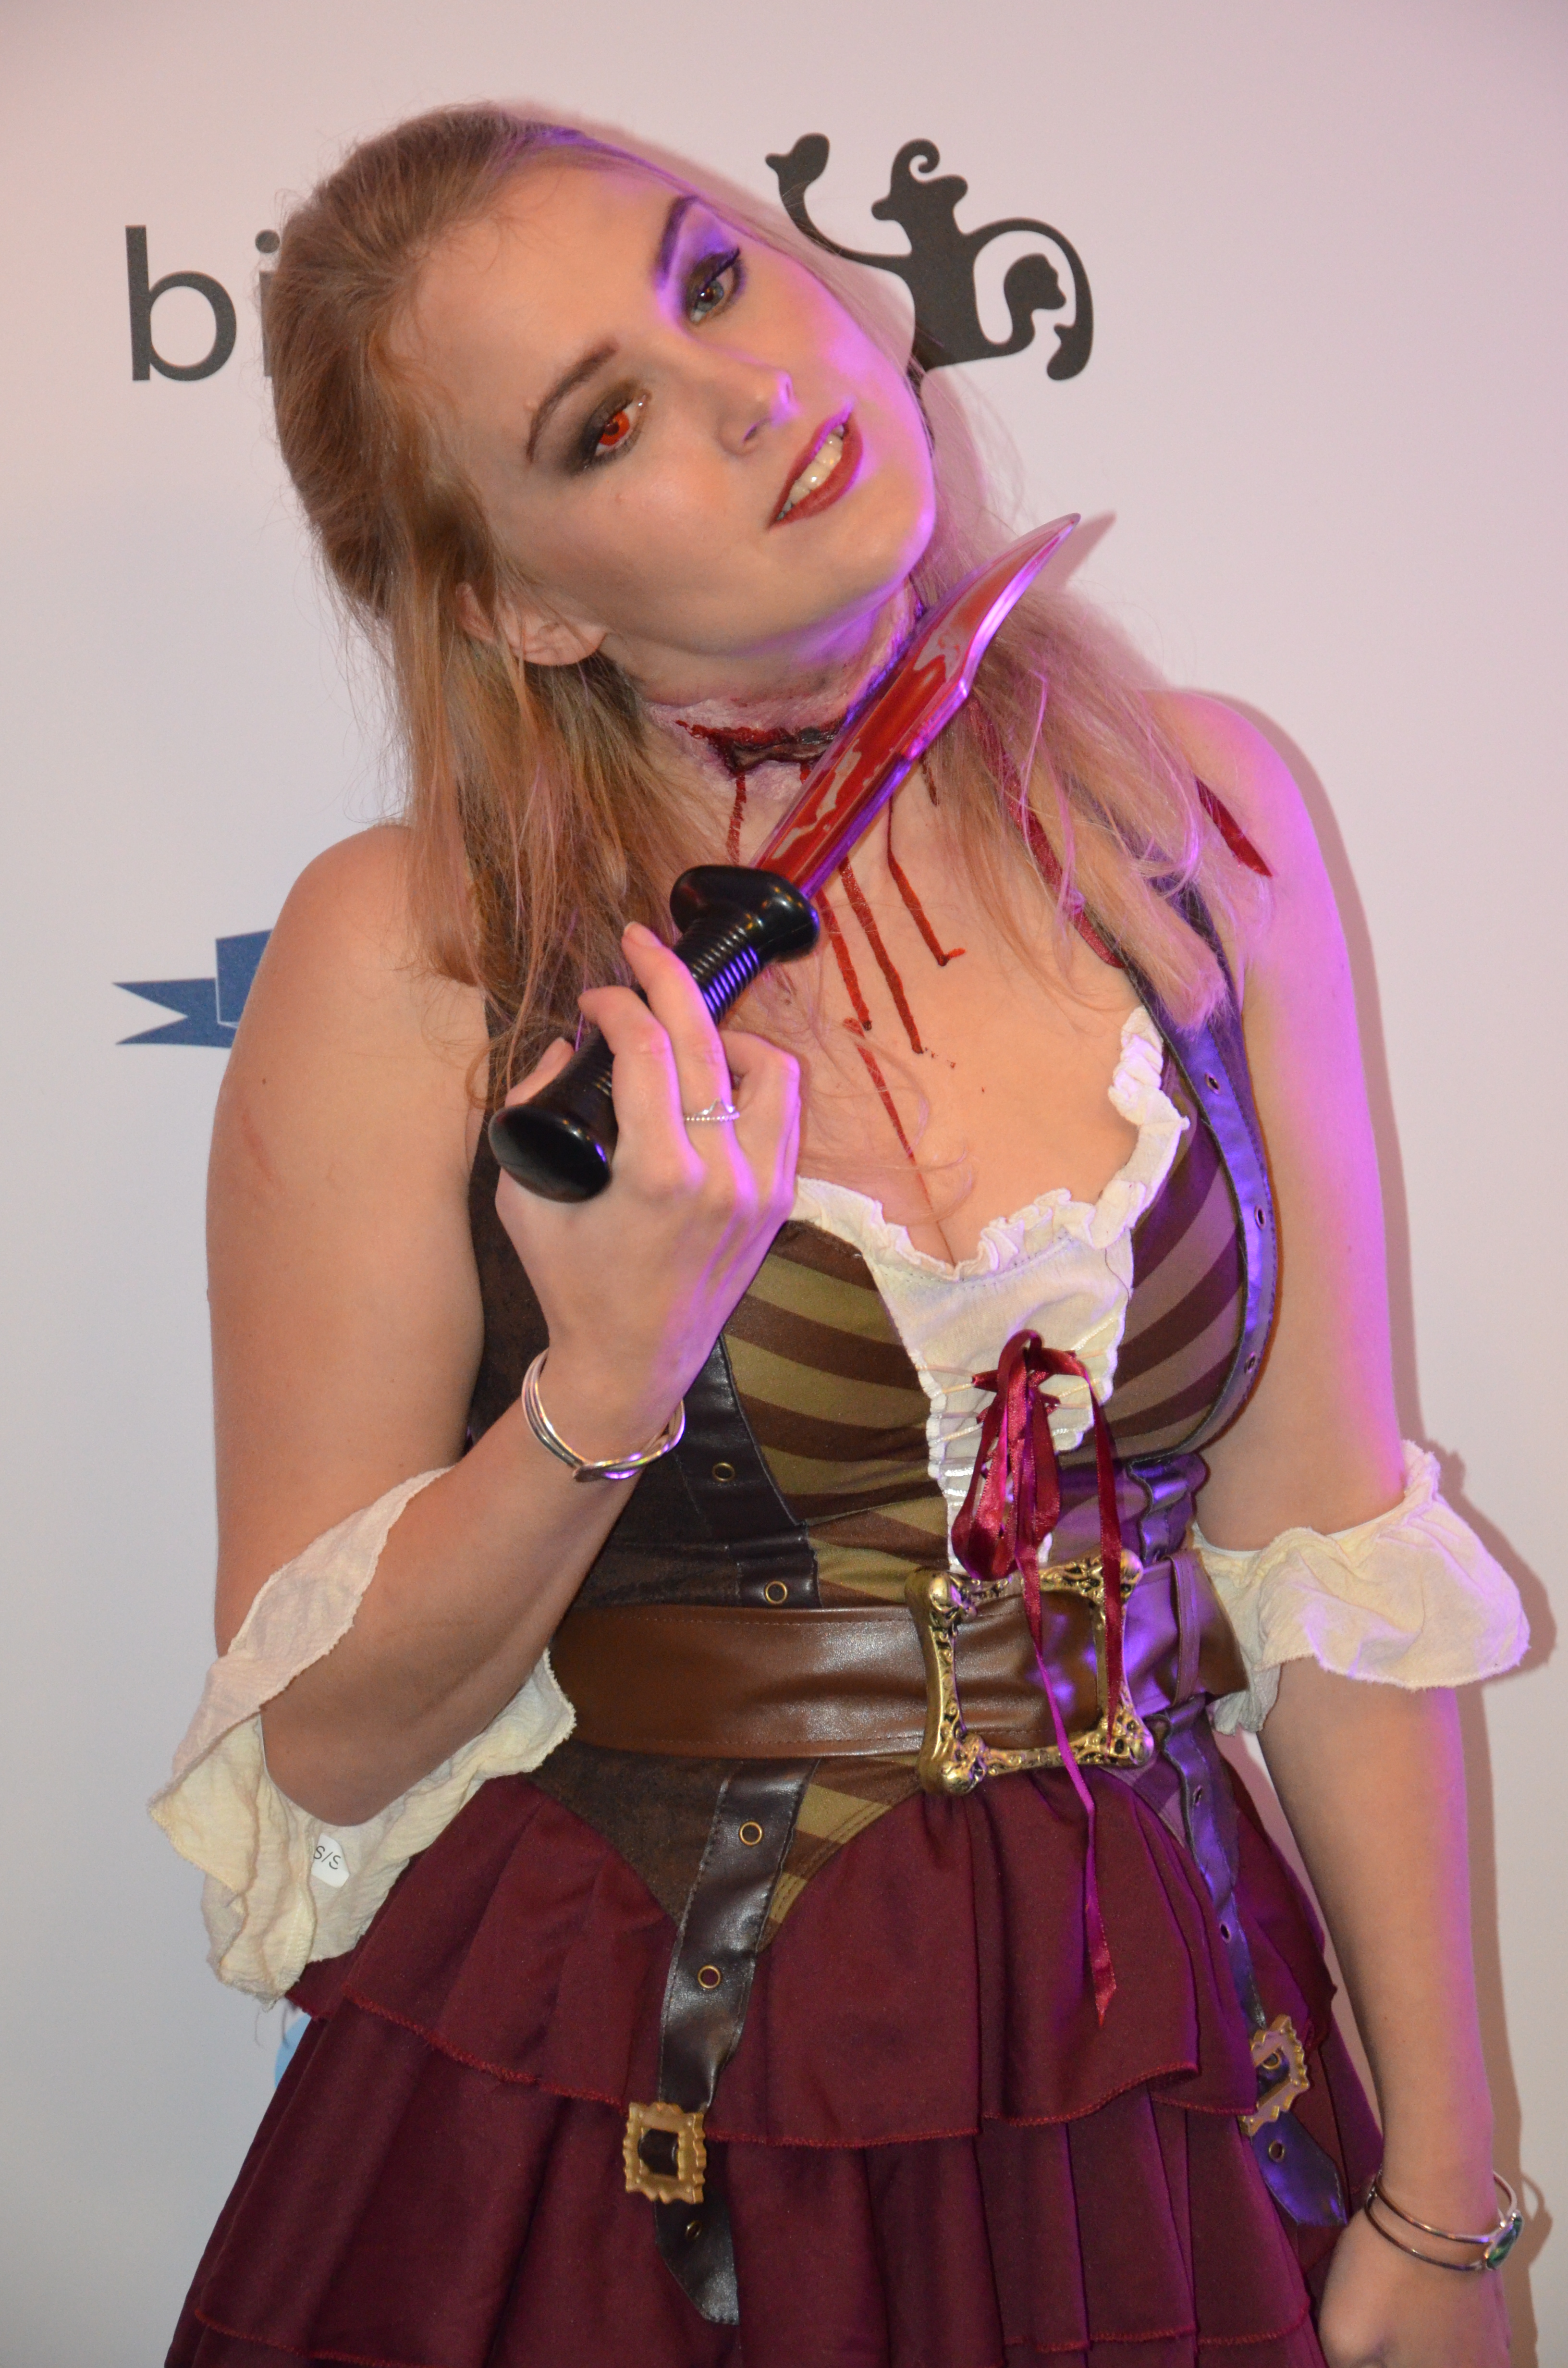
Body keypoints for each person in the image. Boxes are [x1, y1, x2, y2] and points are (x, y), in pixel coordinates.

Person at [152, 105, 1528, 2368]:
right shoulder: (412, 946)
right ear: (526, 603)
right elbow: (320, 1744)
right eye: (604, 424)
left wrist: (1452, 2200)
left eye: (711, 280)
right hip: (639, 2119)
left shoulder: (1190, 808)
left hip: (1168, 2072)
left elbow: (1328, 1553)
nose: (746, 387)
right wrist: (602, 1383)